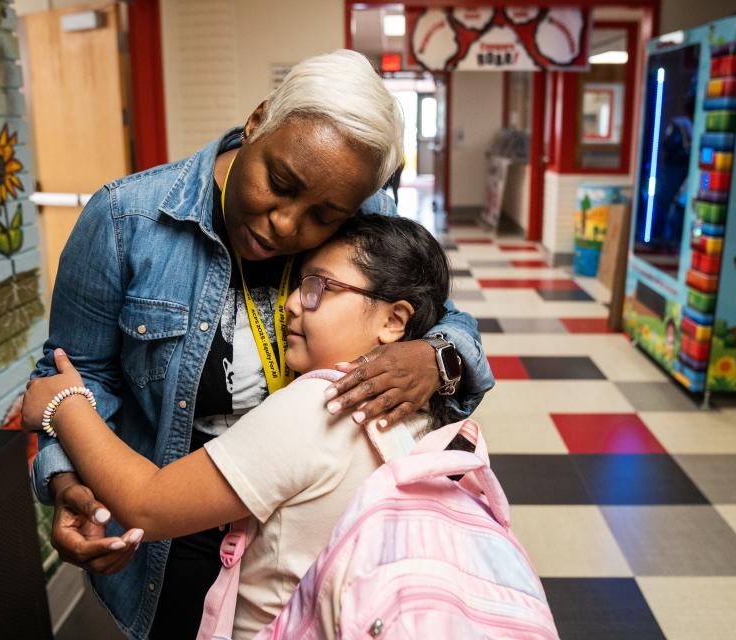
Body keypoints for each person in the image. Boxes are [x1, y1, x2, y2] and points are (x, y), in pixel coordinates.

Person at [27, 50, 495, 640]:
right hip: (180, 517)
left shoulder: (362, 212)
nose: (287, 225)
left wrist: (435, 356)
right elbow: (77, 372)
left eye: (324, 216)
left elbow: (443, 321)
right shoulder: (127, 219)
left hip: (306, 520)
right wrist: (67, 484)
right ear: (258, 121)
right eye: (279, 184)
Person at [24, 215, 452, 638]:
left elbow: (146, 504)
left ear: (394, 320)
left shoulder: (319, 406)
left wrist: (65, 405)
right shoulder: (431, 403)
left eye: (320, 286)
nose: (291, 303)